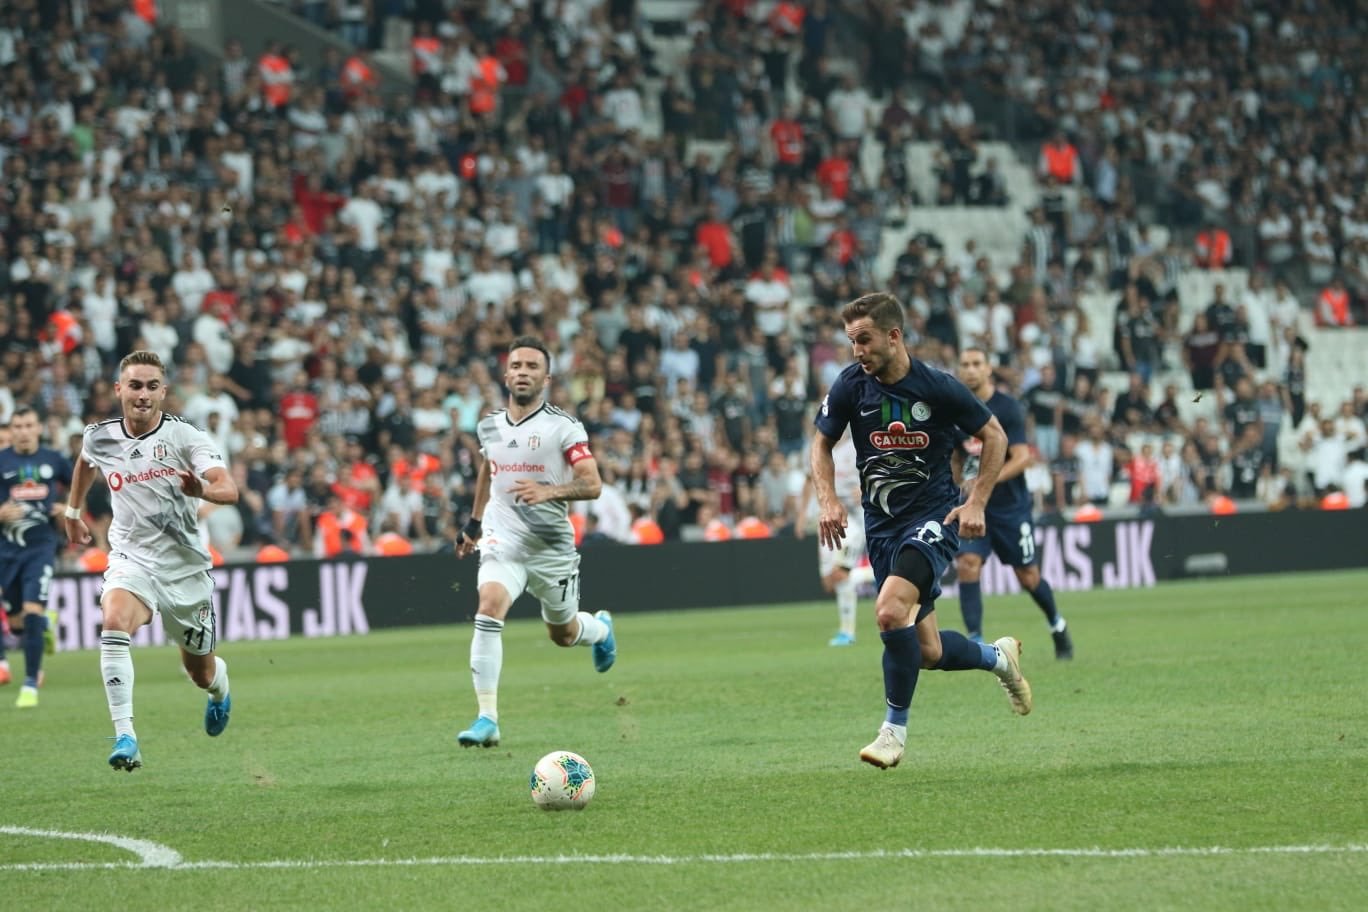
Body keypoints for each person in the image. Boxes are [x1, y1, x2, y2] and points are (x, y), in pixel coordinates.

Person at [810, 293, 1031, 771]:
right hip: (881, 527)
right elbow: (821, 442)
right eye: (851, 341)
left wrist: (977, 501)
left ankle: (893, 732)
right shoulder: (850, 385)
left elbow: (995, 435)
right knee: (927, 651)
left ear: (893, 336)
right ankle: (998, 658)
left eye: (864, 340)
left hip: (934, 518)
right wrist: (827, 500)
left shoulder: (937, 387)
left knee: (890, 613)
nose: (857, 351)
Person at [62, 351, 239, 771]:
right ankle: (126, 735)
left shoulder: (185, 437)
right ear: (119, 389)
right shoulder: (100, 435)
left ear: (163, 392)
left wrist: (201, 490)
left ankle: (219, 690)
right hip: (132, 558)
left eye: (151, 386)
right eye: (135, 385)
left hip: (185, 569)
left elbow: (228, 488)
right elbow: (86, 462)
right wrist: (72, 512)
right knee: (113, 620)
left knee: (200, 673)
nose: (143, 394)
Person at [455, 336, 616, 747]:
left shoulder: (564, 427)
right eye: (517, 365)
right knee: (489, 606)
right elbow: (488, 469)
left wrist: (549, 491)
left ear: (546, 378)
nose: (523, 372)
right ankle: (487, 719)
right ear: (506, 374)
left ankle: (599, 630)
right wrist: (474, 523)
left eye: (532, 366)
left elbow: (592, 484)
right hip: (502, 540)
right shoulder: (489, 424)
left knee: (563, 634)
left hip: (550, 548)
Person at [953, 348, 1074, 659]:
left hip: (1010, 507)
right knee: (967, 565)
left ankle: (1057, 624)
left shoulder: (1007, 408)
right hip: (974, 506)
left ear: (988, 368)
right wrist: (955, 487)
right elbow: (957, 457)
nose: (970, 369)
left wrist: (984, 482)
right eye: (965, 364)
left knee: (1028, 576)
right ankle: (976, 643)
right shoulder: (954, 409)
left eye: (977, 363)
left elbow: (1022, 458)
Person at [0, 405, 73, 705]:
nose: (24, 432)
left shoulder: (54, 459)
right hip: (6, 549)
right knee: (17, 622)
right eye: (18, 427)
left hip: (40, 547)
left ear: (38, 428)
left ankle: (30, 683)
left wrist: (68, 509)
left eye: (29, 425)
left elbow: (80, 484)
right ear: (11, 430)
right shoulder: (1, 460)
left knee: (31, 611)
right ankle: (43, 626)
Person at [798, 433, 872, 646]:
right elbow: (809, 480)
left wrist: (866, 487)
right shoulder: (815, 446)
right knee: (829, 583)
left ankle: (847, 632)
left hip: (854, 518)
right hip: (826, 518)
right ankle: (879, 573)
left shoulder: (858, 444)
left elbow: (879, 470)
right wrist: (802, 515)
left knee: (840, 574)